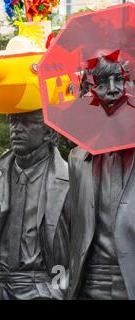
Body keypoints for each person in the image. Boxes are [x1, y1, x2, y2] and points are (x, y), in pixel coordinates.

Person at [0, 109, 70, 300]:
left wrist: (57, 292)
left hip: (47, 290)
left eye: (26, 122)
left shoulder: (71, 181)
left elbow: (82, 251)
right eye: (12, 121)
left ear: (49, 132)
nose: (16, 129)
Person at [68, 54, 135, 300]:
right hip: (89, 285)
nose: (113, 89)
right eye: (103, 82)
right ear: (89, 90)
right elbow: (72, 229)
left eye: (120, 79)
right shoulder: (77, 159)